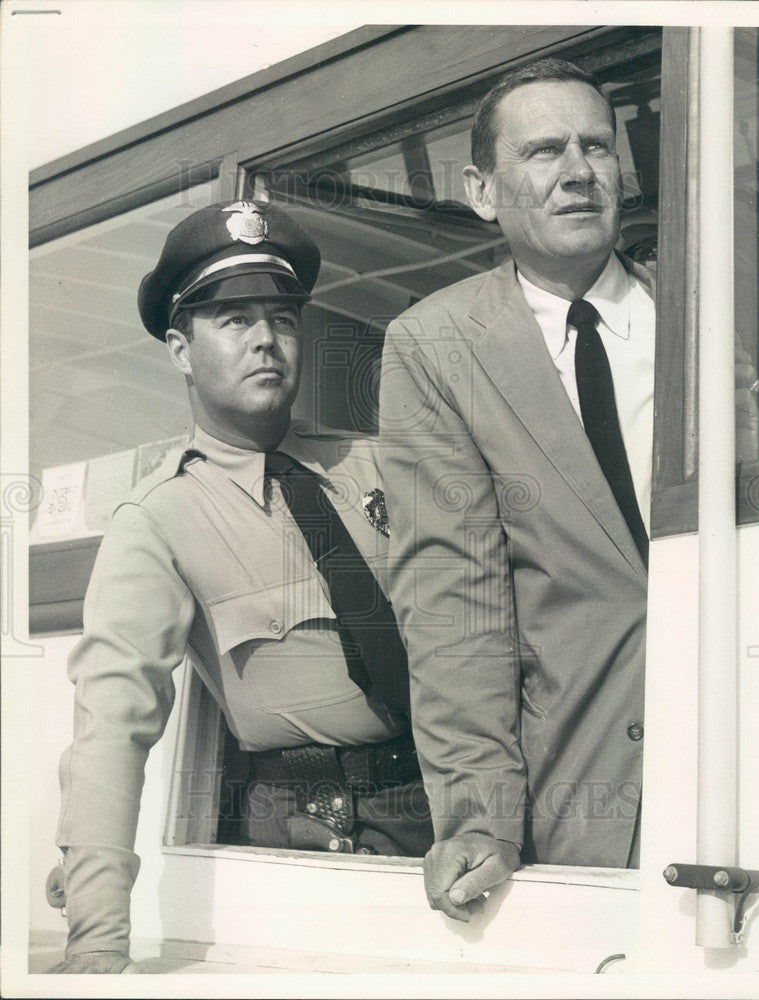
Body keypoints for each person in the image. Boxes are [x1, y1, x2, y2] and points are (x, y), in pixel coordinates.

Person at [51, 199, 433, 973]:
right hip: (303, 836)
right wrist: (96, 940)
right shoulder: (157, 518)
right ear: (181, 350)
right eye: (233, 319)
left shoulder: (375, 466)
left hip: (442, 810)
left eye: (282, 319)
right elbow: (111, 730)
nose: (265, 339)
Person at [378, 57, 654, 921]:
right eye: (544, 152)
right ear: (482, 190)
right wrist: (478, 818)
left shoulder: (711, 312)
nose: (578, 171)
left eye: (597, 147)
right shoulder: (436, 348)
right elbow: (455, 603)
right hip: (596, 796)